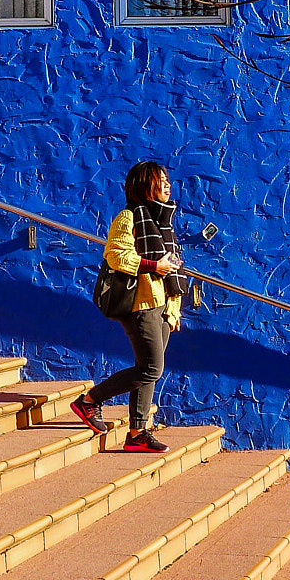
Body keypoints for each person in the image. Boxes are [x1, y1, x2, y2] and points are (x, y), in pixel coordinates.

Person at [71, 161, 186, 452]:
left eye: (167, 179)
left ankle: (137, 433)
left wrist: (174, 307)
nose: (166, 185)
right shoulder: (129, 217)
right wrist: (152, 265)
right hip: (139, 303)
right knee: (151, 369)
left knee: (147, 369)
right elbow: (116, 255)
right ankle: (89, 401)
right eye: (159, 180)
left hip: (162, 305)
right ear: (143, 185)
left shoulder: (163, 222)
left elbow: (172, 269)